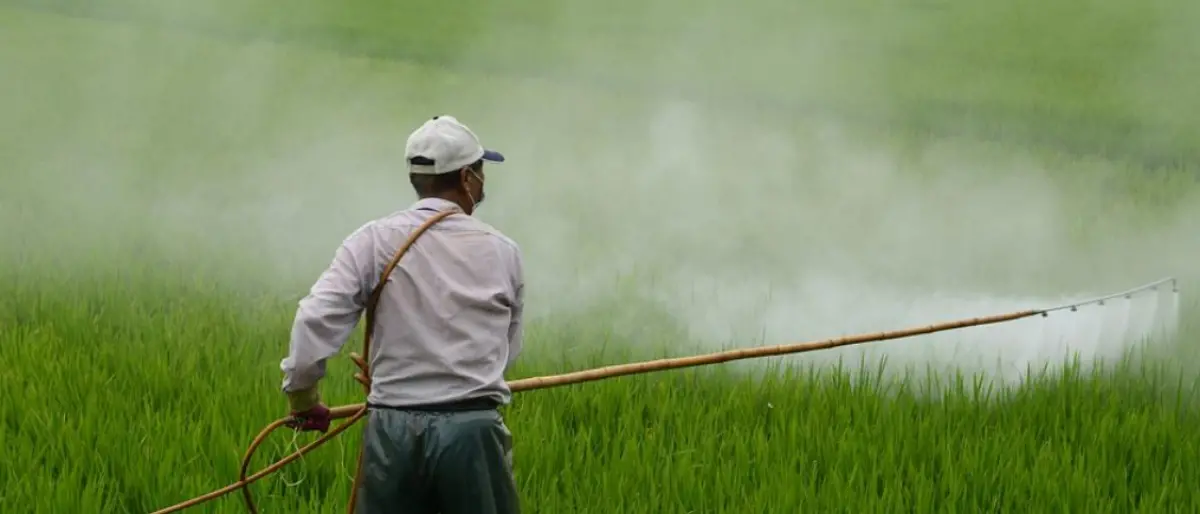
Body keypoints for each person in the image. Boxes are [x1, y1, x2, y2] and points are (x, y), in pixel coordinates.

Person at [278, 115, 525, 514]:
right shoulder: (502, 251)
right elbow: (507, 351)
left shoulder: (372, 240)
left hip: (392, 433)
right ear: (466, 178)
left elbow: (314, 318)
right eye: (480, 171)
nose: (482, 182)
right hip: (472, 433)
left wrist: (303, 399)